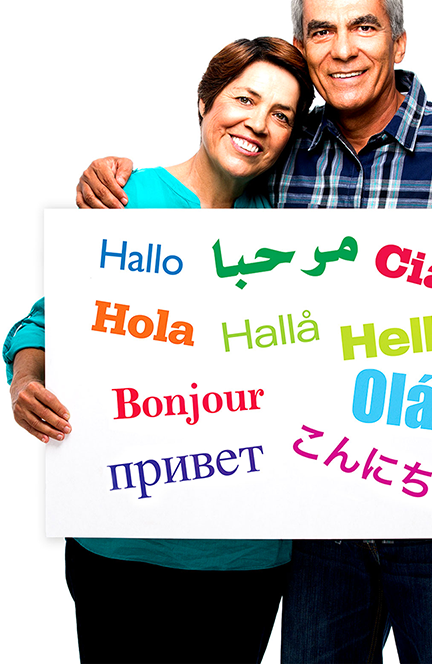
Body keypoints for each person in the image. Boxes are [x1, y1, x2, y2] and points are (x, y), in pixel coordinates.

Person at [40, 0, 432, 663]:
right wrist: (114, 177)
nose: (342, 48)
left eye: (363, 26)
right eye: (320, 30)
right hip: (316, 521)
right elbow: (199, 220)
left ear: (398, 41)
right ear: (302, 46)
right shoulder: (287, 151)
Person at [5, 36, 313, 664]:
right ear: (205, 102)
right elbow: (45, 324)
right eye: (244, 99)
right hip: (119, 537)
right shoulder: (124, 198)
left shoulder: (294, 224)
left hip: (244, 551)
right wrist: (25, 381)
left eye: (282, 114)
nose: (258, 123)